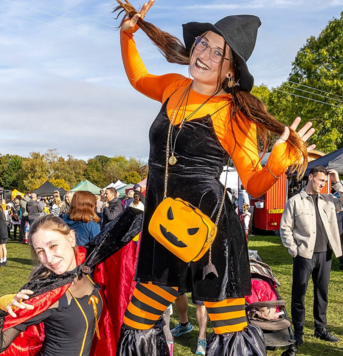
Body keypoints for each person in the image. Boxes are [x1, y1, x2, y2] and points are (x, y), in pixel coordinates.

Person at [114, 1, 315, 354]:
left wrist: (277, 163)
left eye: (217, 51)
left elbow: (253, 184)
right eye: (202, 43)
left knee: (229, 332)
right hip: (162, 223)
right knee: (138, 321)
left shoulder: (235, 115)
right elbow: (138, 78)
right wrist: (127, 36)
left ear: (230, 71)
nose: (203, 52)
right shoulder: (174, 87)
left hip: (211, 233)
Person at [0, 209, 144, 356]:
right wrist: (1, 307)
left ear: (71, 238)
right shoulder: (44, 292)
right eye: (40, 251)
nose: (49, 258)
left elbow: (115, 237)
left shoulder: (87, 267)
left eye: (53, 245)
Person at [280, 166, 343, 346]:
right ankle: (298, 331)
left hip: (325, 254)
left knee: (322, 294)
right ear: (311, 177)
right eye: (321, 180)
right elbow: (285, 228)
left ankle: (320, 329)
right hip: (304, 255)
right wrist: (294, 249)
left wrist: (337, 182)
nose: (323, 184)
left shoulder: (328, 200)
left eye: (326, 181)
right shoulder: (295, 201)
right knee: (299, 294)